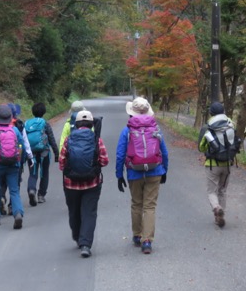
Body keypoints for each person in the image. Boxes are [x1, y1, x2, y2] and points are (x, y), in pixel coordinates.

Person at [115, 97, 168, 254]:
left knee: (136, 204)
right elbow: (164, 151)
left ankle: (137, 236)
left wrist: (119, 175)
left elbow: (120, 154)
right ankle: (147, 241)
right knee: (150, 206)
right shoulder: (155, 128)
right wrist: (165, 170)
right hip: (155, 170)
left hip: (134, 171)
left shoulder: (127, 130)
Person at [58, 110, 109, 258]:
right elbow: (105, 161)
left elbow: (62, 163)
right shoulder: (96, 140)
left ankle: (77, 236)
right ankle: (86, 244)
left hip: (70, 184)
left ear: (77, 124)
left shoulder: (69, 139)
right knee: (89, 212)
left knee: (74, 211)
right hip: (92, 183)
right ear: (91, 124)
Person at [0, 104, 34, 229]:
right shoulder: (15, 130)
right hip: (13, 165)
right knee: (14, 191)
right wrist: (20, 162)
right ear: (10, 117)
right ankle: (17, 213)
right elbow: (21, 145)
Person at [198, 101, 239, 228]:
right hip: (227, 163)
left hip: (212, 164)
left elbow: (201, 147)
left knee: (211, 191)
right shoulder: (230, 124)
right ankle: (221, 214)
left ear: (211, 113)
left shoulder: (208, 127)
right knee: (223, 190)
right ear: (223, 112)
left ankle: (216, 208)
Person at [25, 101, 59, 206]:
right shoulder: (45, 123)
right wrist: (56, 153)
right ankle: (41, 195)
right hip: (44, 152)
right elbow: (51, 139)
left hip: (31, 153)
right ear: (44, 112)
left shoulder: (27, 123)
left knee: (33, 174)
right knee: (44, 173)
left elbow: (24, 140)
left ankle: (31, 190)